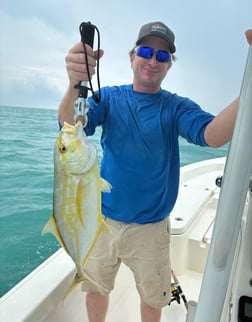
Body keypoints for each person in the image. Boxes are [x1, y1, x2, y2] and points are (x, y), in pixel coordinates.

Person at [58, 21, 240, 322]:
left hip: (151, 230)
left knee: (152, 297)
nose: (154, 60)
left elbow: (212, 135)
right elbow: (71, 127)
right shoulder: (109, 98)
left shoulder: (176, 107)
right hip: (102, 221)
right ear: (132, 57)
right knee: (96, 289)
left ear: (169, 65)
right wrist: (74, 83)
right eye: (146, 51)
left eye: (163, 56)